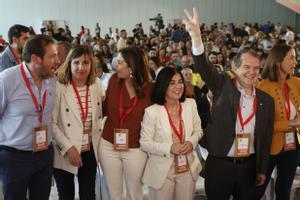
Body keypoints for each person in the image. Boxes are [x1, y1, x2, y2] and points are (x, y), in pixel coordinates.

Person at [183, 8, 274, 199]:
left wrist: (262, 169)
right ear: (234, 67)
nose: (252, 72)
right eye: (246, 67)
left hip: (249, 167)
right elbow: (203, 66)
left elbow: (265, 139)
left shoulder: (266, 100)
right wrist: (196, 37)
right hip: (219, 165)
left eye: (256, 68)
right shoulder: (222, 85)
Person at [0, 34, 60, 200]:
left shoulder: (51, 78)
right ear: (35, 58)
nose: (58, 61)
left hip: (44, 155)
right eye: (52, 56)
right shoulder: (6, 80)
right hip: (14, 158)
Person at [98, 46, 152, 200]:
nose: (116, 66)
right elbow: (105, 108)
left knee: (135, 193)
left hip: (135, 147)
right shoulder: (114, 81)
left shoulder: (150, 89)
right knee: (114, 193)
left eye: (120, 63)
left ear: (132, 66)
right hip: (109, 144)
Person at [140, 67, 202, 200]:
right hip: (162, 171)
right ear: (163, 86)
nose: (178, 86)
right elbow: (145, 143)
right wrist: (169, 148)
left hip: (187, 167)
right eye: (172, 83)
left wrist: (191, 142)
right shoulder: (152, 111)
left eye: (180, 82)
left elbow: (198, 131)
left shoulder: (190, 104)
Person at [52, 45, 103, 200]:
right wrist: (69, 148)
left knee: (88, 194)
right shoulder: (58, 85)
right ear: (69, 63)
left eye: (86, 63)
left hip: (89, 148)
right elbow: (51, 123)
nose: (81, 67)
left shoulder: (97, 84)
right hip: (64, 149)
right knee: (66, 195)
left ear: (92, 64)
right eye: (76, 62)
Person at [256, 44, 300, 200]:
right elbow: (261, 125)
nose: (295, 61)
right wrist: (291, 123)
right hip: (268, 148)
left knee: (284, 190)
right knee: (257, 191)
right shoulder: (262, 87)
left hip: (292, 147)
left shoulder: (296, 83)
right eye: (291, 58)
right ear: (277, 61)